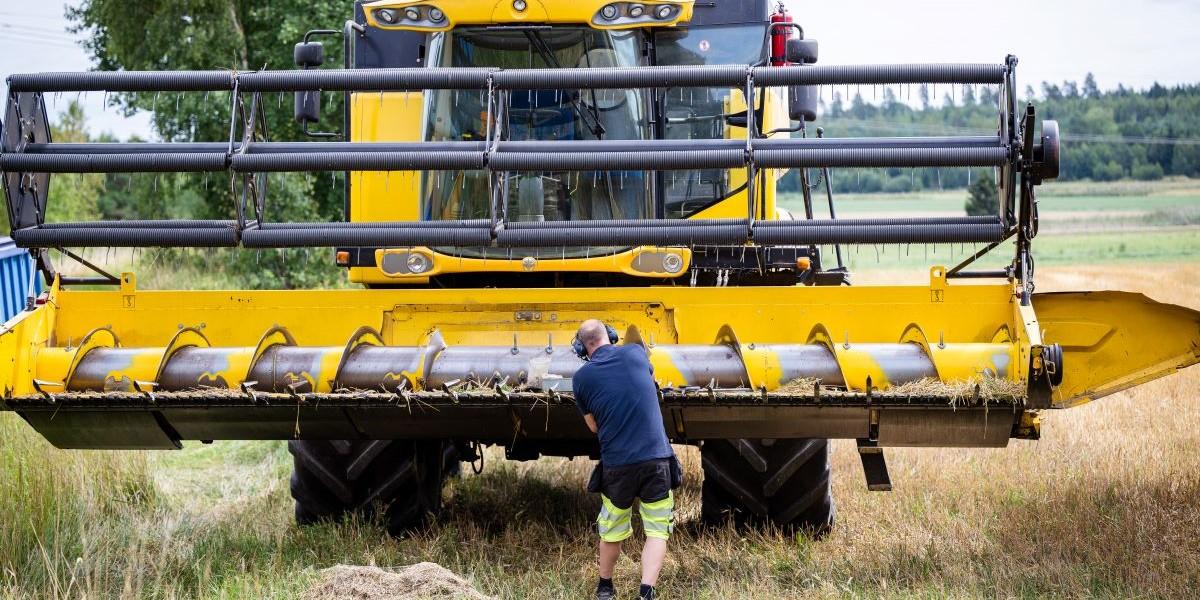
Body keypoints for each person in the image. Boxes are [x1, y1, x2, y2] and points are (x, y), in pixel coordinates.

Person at [572, 319, 678, 600]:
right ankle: (646, 592)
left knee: (612, 529)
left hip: (618, 465)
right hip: (657, 459)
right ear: (610, 336)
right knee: (657, 529)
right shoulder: (635, 353)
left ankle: (605, 587)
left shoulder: (581, 379)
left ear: (582, 348)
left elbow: (593, 427)